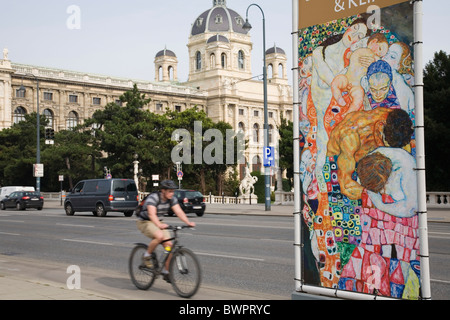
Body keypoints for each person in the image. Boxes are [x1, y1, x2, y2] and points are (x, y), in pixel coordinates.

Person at [326, 108, 413, 200]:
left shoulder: (395, 119)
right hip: (339, 166)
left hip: (368, 164)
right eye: (385, 145)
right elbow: (347, 186)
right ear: (380, 127)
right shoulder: (349, 135)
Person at [136, 179, 196, 282]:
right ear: (163, 190)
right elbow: (151, 214)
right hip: (145, 222)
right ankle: (146, 256)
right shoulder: (154, 198)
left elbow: (179, 211)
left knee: (169, 246)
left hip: (158, 221)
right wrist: (159, 224)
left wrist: (188, 222)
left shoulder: (171, 199)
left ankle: (165, 271)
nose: (172, 193)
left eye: (173, 191)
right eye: (170, 191)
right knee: (159, 236)